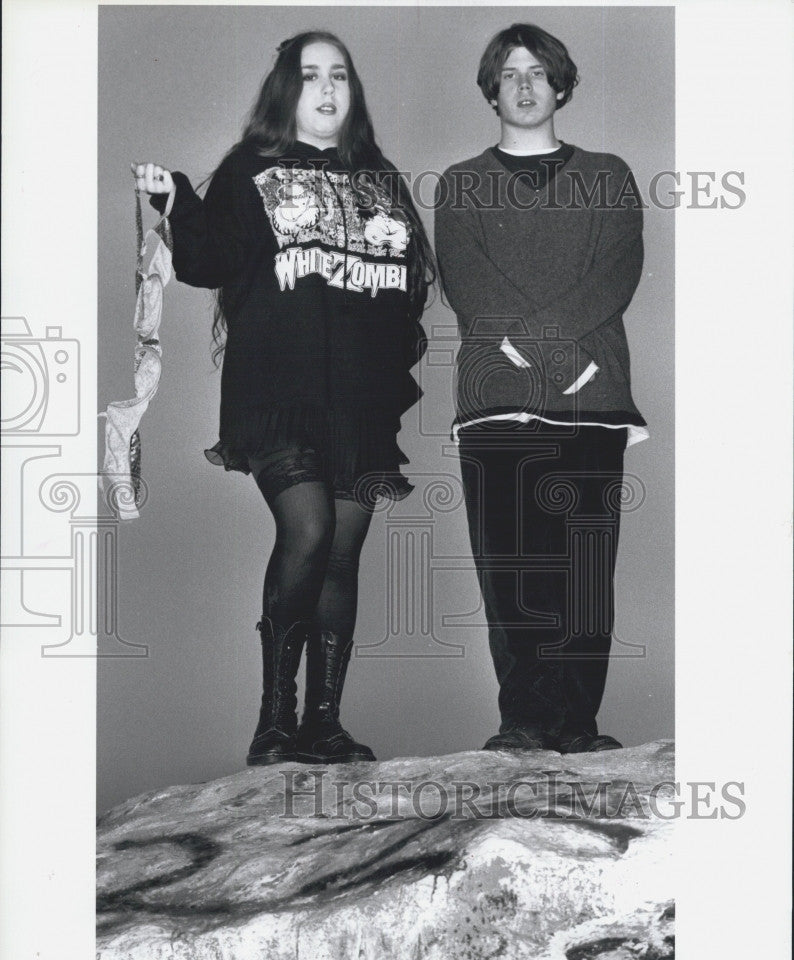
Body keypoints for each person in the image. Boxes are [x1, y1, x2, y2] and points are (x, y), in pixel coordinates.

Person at [133, 30, 434, 765]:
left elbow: (407, 290)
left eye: (339, 76)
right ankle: (275, 723)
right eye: (310, 76)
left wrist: (388, 376)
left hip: (361, 406)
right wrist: (175, 198)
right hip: (279, 396)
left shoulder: (380, 178)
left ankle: (324, 726)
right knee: (308, 531)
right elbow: (207, 261)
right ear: (286, 91)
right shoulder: (251, 171)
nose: (327, 89)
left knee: (342, 553)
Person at [435, 23, 648, 754]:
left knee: (585, 571)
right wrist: (560, 359)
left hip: (594, 405)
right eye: (510, 73)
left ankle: (578, 727)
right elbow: (471, 288)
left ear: (560, 86)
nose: (524, 85)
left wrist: (558, 365)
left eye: (537, 72)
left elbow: (616, 274)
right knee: (514, 568)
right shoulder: (460, 184)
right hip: (496, 404)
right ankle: (524, 724)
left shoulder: (610, 174)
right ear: (492, 90)